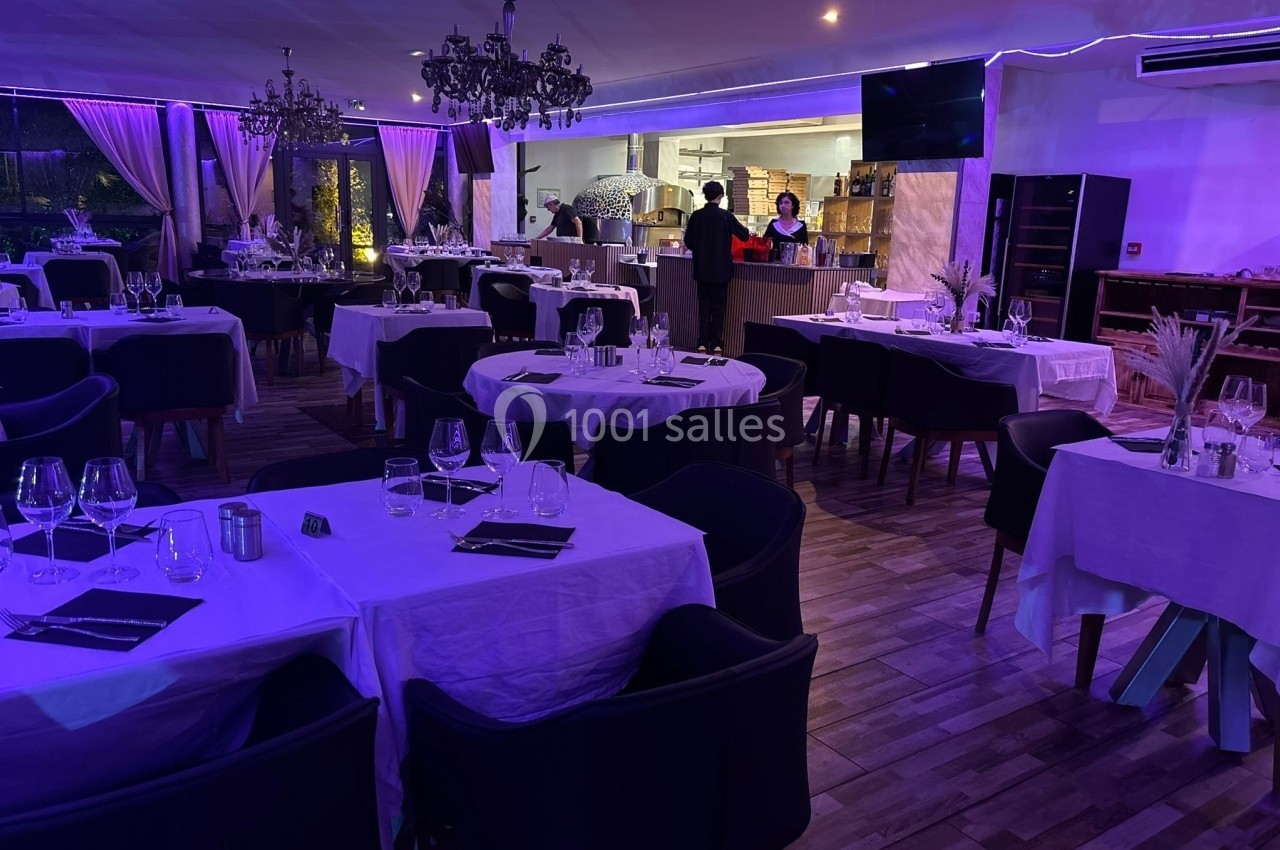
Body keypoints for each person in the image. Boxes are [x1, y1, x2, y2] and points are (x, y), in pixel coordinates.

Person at [682, 181, 749, 354]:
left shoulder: (697, 216)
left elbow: (688, 241)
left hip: (702, 268)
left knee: (703, 307)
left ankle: (702, 343)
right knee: (718, 308)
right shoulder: (726, 216)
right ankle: (717, 343)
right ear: (720, 197)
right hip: (721, 269)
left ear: (705, 195)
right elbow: (744, 235)